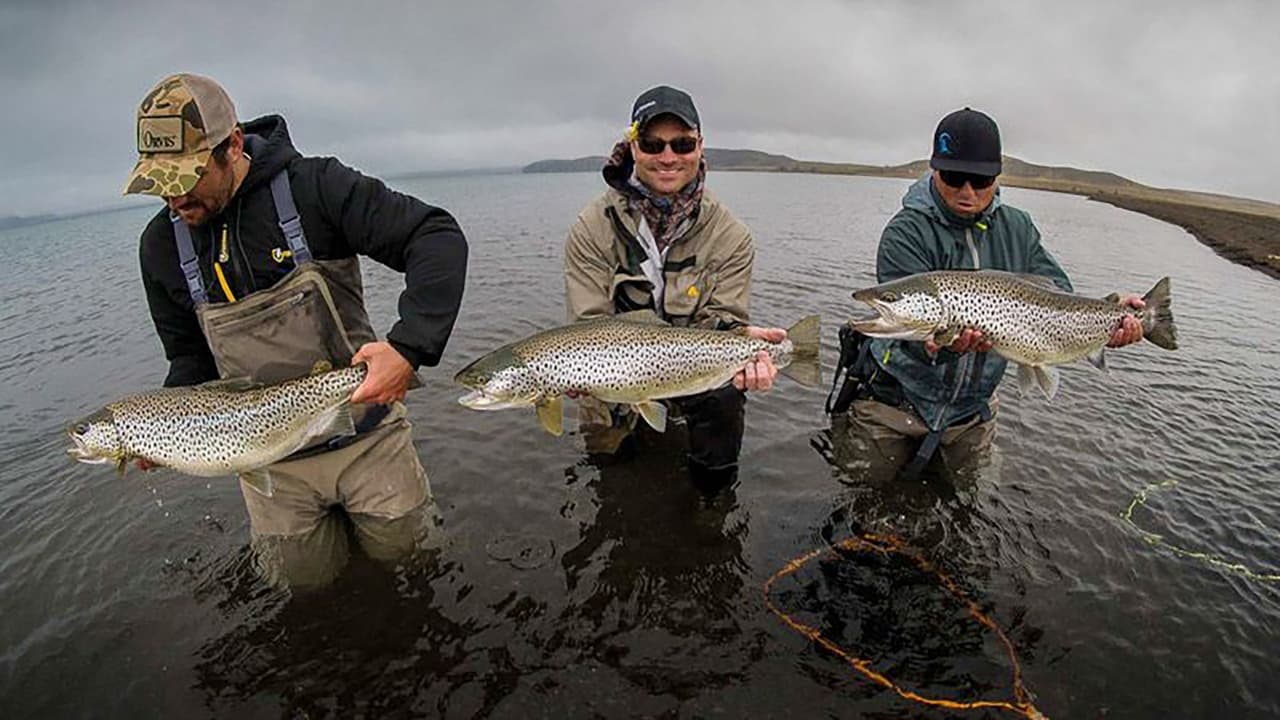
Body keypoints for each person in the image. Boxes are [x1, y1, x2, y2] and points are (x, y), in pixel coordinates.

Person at [124, 73, 468, 586]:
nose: (174, 200)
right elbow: (190, 360)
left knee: (414, 566)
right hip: (270, 473)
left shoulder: (315, 188)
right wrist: (166, 432)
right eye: (160, 185)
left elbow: (434, 236)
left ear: (232, 145)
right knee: (304, 592)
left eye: (186, 179)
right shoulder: (160, 249)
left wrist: (408, 348)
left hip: (368, 441)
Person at [828, 107, 1143, 481]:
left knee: (967, 510)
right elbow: (908, 334)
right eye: (954, 177)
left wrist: (1110, 315)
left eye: (979, 180)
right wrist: (934, 346)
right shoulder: (905, 232)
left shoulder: (1018, 228)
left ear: (996, 177)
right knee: (863, 502)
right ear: (934, 169)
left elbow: (1060, 296)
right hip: (893, 404)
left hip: (971, 413)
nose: (967, 191)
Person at [563, 85, 784, 490]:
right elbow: (588, 324)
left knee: (725, 398)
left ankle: (711, 502)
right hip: (616, 370)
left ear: (700, 146)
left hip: (694, 366)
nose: (668, 157)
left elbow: (725, 319)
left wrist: (741, 343)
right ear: (632, 146)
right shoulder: (591, 228)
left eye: (682, 144)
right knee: (608, 471)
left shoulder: (731, 235)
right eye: (652, 143)